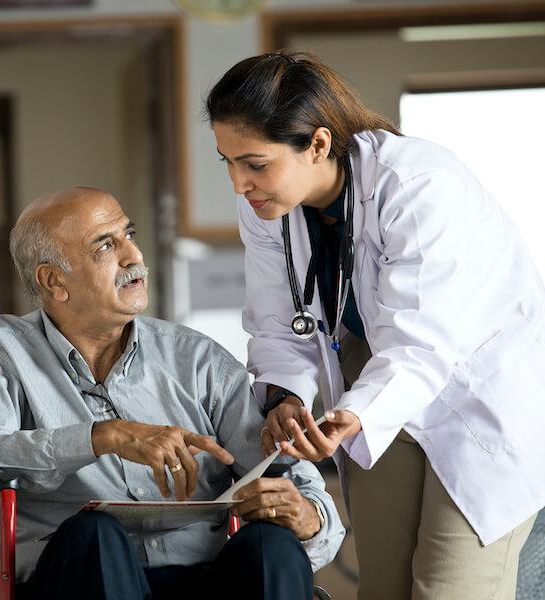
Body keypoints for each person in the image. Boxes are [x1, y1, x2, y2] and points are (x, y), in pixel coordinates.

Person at [205, 50, 545, 599]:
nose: (239, 183)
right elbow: (276, 322)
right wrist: (286, 396)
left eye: (255, 163)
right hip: (372, 377)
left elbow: (423, 345)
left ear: (317, 143)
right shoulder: (265, 204)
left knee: (450, 590)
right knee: (383, 588)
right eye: (228, 161)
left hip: (478, 391)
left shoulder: (415, 184)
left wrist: (353, 415)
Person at [0, 186, 345, 600]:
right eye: (106, 245)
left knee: (271, 547)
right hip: (74, 579)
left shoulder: (197, 360)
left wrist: (308, 516)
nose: (134, 257)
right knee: (95, 536)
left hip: (204, 577)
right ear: (54, 281)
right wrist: (100, 437)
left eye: (129, 235)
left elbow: (293, 479)